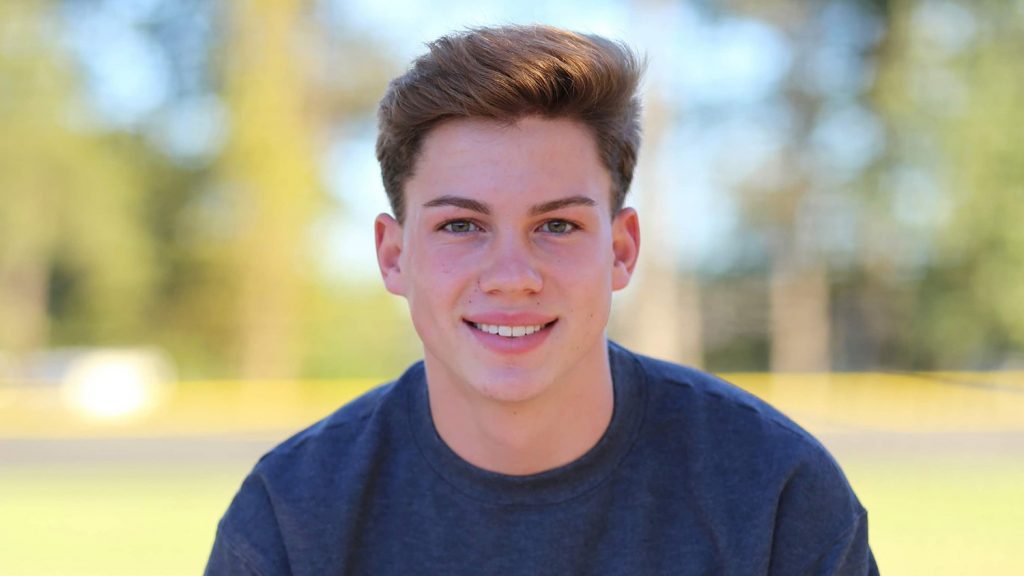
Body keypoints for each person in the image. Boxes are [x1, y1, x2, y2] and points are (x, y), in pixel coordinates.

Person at [206, 24, 879, 575]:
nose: (511, 275)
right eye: (461, 226)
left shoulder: (773, 494)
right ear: (393, 255)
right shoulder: (292, 517)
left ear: (621, 249)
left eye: (556, 225)